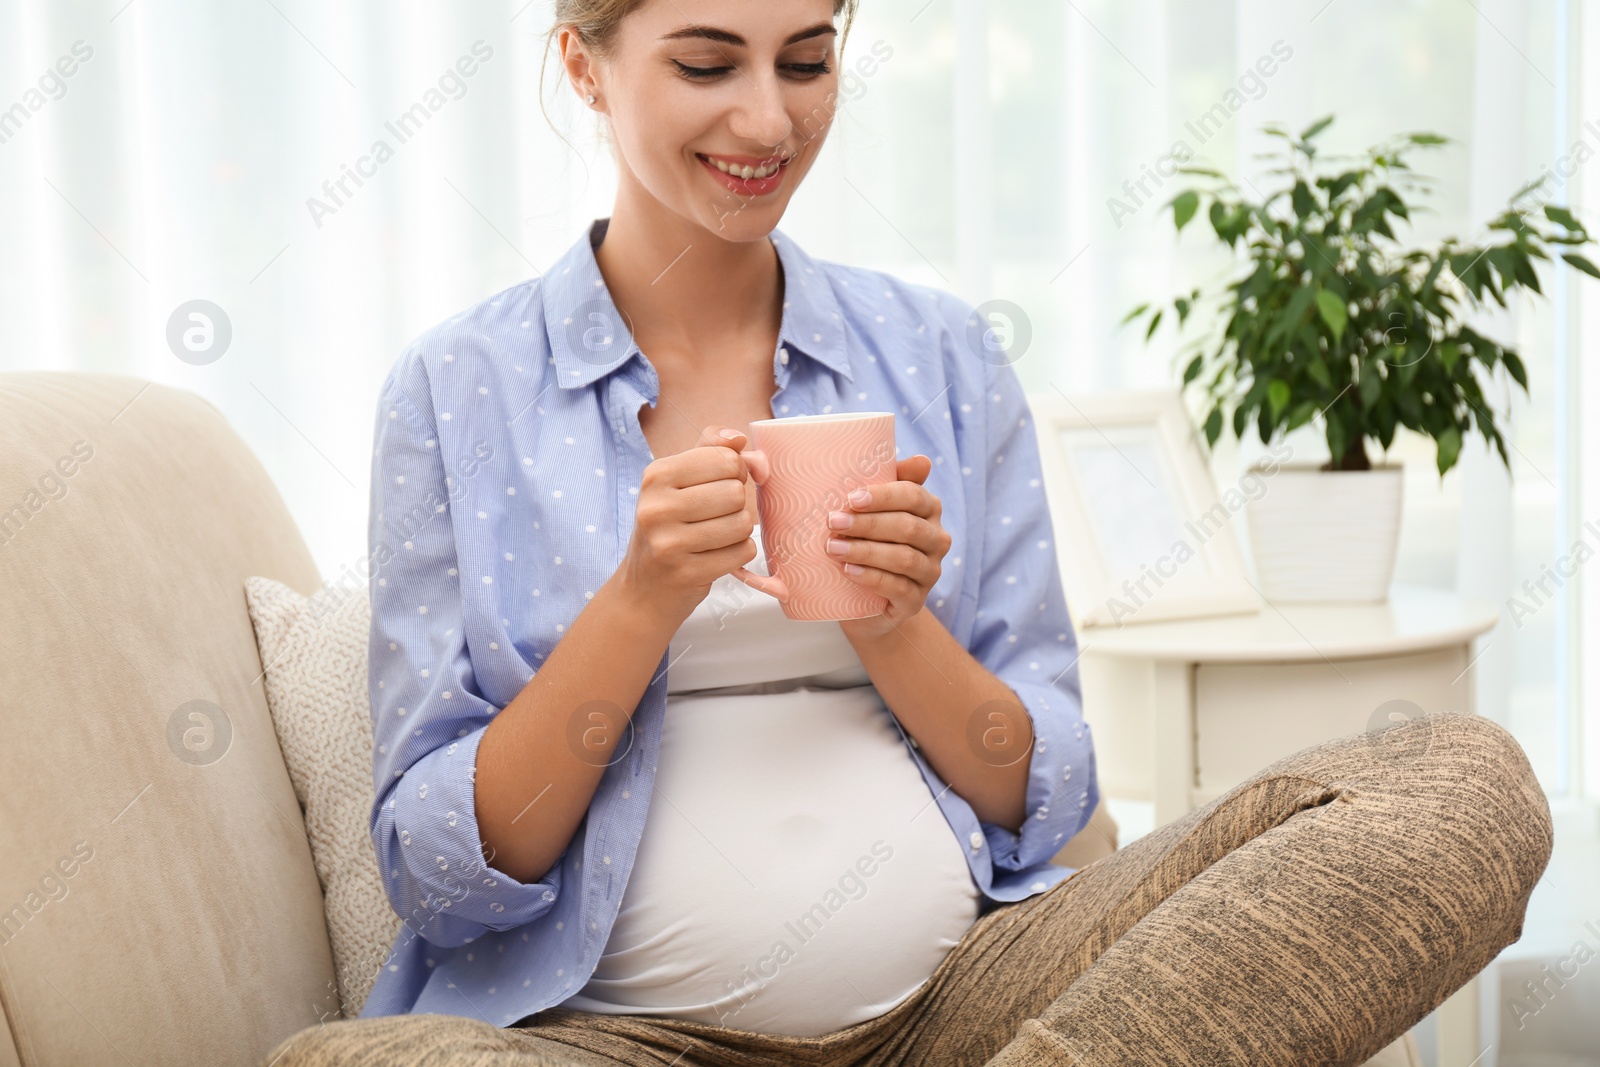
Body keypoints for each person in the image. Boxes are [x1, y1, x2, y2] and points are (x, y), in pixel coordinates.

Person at [266, 1, 1553, 1063]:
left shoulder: (935, 351)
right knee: (351, 1064)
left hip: (977, 1008)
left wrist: (897, 627)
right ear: (582, 63)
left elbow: (1040, 793)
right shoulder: (456, 390)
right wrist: (637, 606)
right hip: (614, 1037)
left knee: (1463, 785)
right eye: (707, 62)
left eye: (808, 60)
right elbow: (439, 873)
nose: (767, 120)